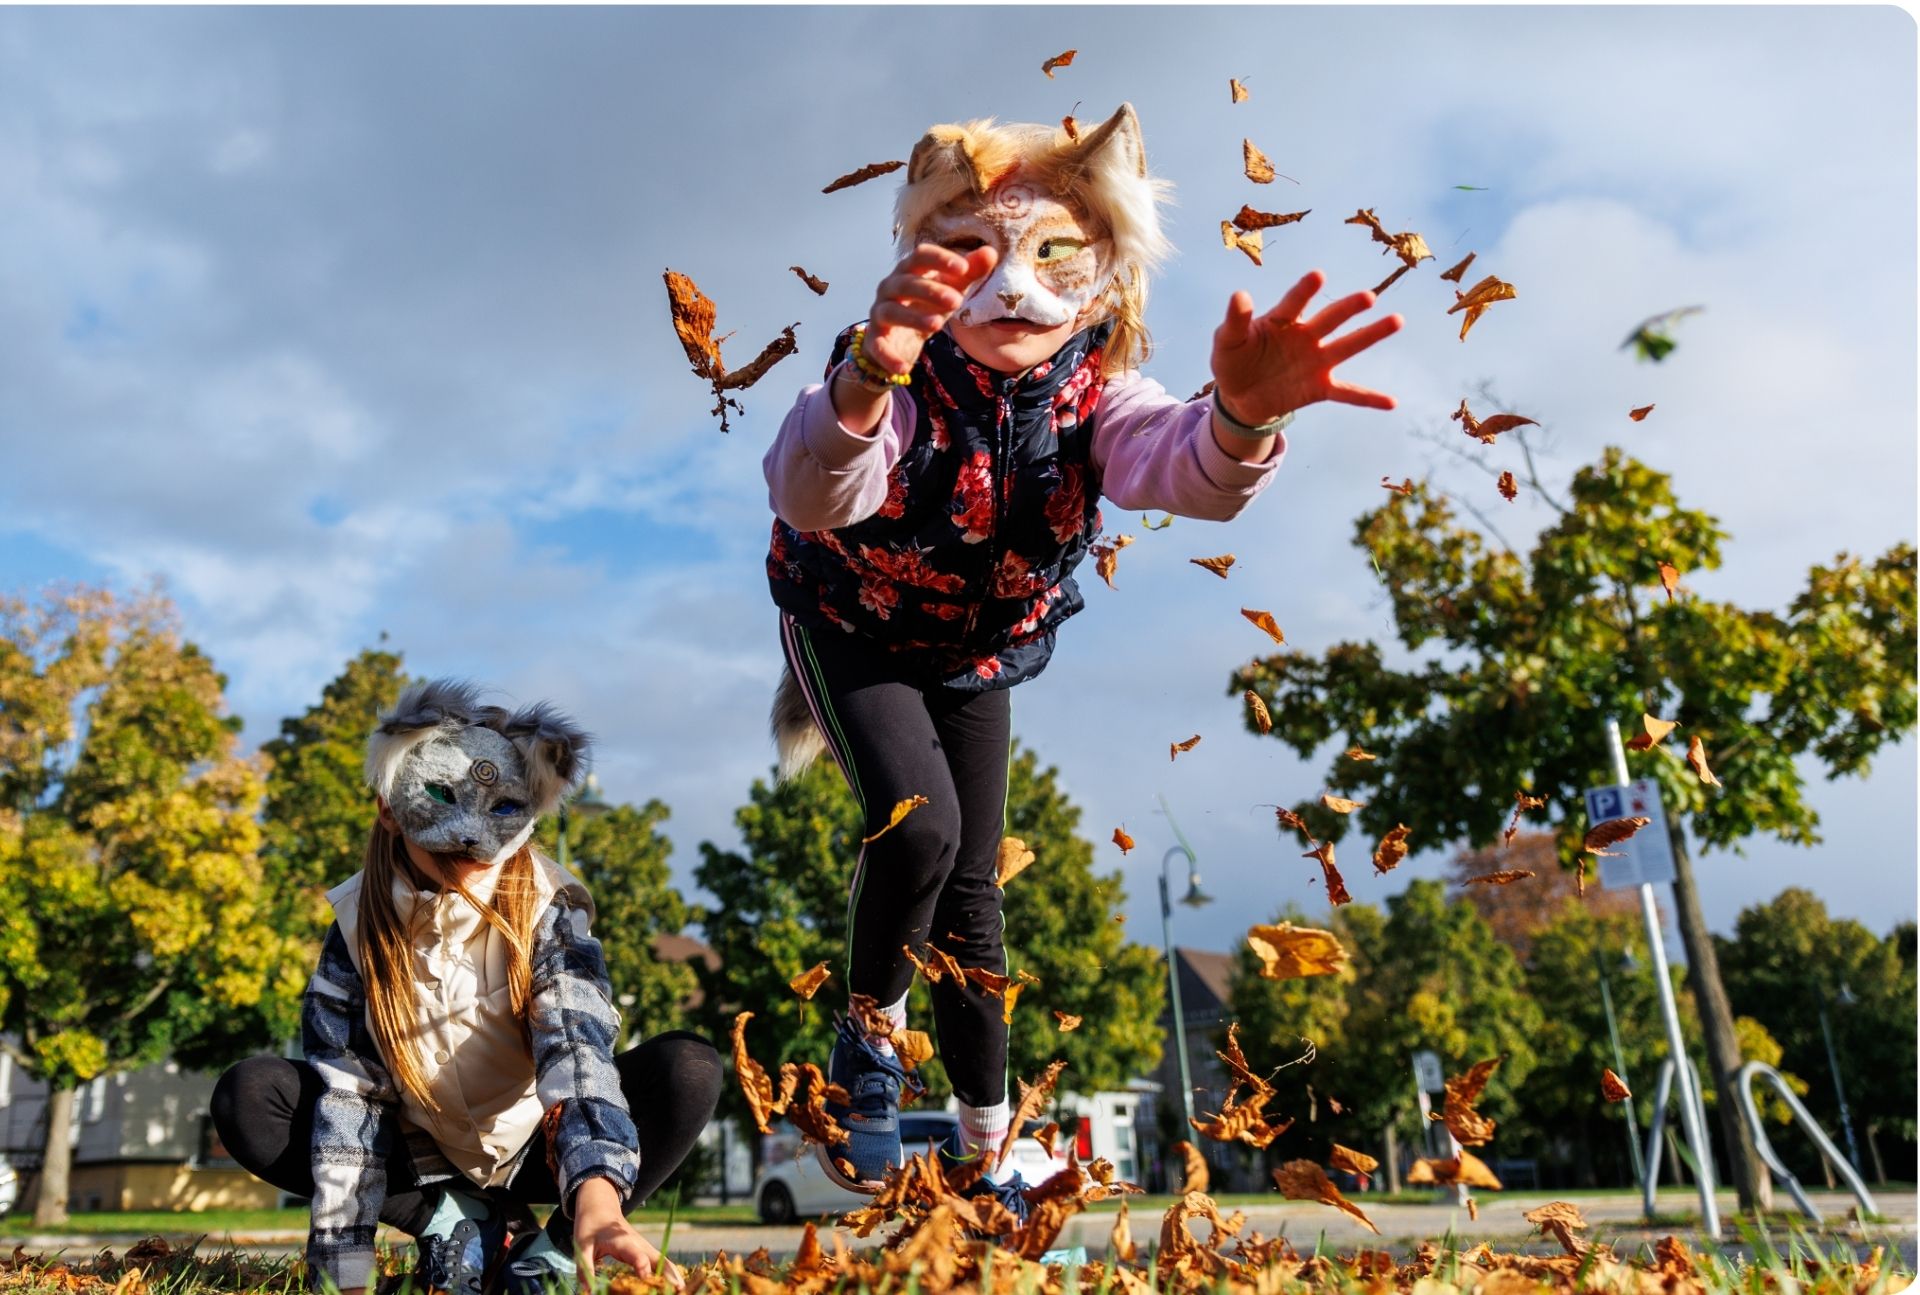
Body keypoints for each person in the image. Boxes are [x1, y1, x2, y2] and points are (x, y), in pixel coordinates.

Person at [761, 104, 1403, 1212]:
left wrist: (1242, 420)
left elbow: (1180, 469)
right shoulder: (895, 374)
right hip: (852, 622)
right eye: (971, 254)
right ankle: (867, 1036)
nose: (1011, 287)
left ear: (1105, 276)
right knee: (924, 825)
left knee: (976, 896)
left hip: (979, 651)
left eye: (1052, 255)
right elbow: (816, 488)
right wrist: (869, 373)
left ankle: (985, 1143)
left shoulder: (1101, 393)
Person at [211, 680, 721, 1295]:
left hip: (539, 1147)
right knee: (250, 1094)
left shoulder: (548, 908)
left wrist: (598, 1199)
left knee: (688, 1067)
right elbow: (351, 1099)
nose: (473, 842)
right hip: (422, 1155)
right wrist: (344, 1272)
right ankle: (454, 1220)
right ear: (388, 810)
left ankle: (555, 1247)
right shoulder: (355, 926)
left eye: (500, 814)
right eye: (443, 812)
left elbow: (579, 1055)